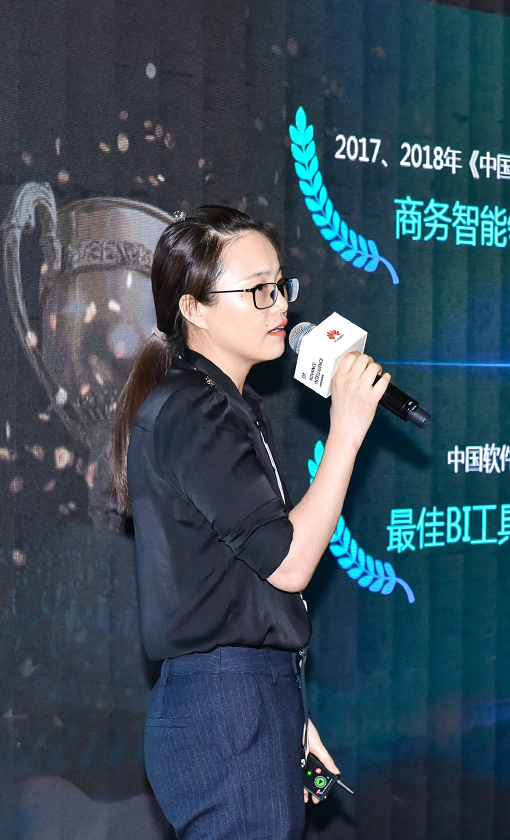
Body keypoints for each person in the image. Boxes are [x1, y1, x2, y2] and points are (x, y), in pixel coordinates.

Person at [108, 205, 389, 839]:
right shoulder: (195, 412)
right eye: (257, 290)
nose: (279, 305)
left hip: (246, 703)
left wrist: (288, 715)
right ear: (195, 309)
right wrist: (346, 431)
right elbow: (289, 564)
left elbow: (239, 585)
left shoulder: (221, 406)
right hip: (226, 707)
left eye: (281, 285)